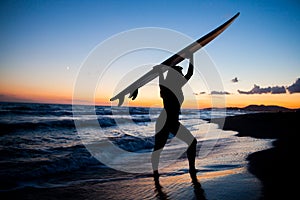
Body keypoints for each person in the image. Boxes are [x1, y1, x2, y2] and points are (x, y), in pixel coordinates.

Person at [151, 54, 197, 180]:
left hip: (171, 121)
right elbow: (162, 82)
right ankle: (155, 173)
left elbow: (190, 73)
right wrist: (160, 71)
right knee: (158, 148)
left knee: (192, 143)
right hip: (165, 122)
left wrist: (191, 57)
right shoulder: (166, 86)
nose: (182, 76)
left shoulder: (177, 85)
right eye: (179, 73)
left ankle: (192, 169)